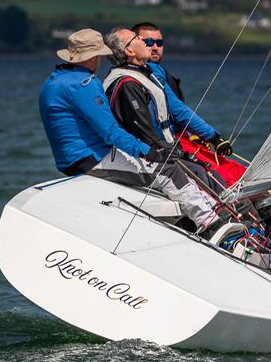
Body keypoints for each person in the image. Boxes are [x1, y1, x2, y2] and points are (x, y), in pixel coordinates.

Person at [102, 27, 271, 242]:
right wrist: (204, 140)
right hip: (161, 153)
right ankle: (256, 237)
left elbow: (173, 111)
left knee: (222, 177)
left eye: (159, 41)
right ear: (129, 51)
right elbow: (146, 129)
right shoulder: (129, 82)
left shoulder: (147, 74)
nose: (152, 45)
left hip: (171, 148)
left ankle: (267, 228)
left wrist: (212, 137)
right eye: (143, 39)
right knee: (216, 179)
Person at [38, 28, 227, 235]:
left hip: (69, 161)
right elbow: (111, 132)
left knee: (161, 168)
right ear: (93, 58)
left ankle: (201, 216)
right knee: (167, 170)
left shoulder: (53, 81)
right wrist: (147, 151)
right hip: (91, 159)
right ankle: (211, 223)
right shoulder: (85, 84)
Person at [131, 21, 232, 157]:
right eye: (148, 42)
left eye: (159, 43)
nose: (155, 47)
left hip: (168, 139)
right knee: (231, 173)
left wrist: (193, 134)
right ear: (134, 44)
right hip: (162, 144)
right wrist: (214, 137)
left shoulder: (142, 71)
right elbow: (177, 110)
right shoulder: (149, 71)